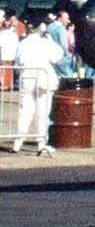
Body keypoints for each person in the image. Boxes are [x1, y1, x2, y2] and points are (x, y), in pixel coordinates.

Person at [12, 22, 64, 155]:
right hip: (43, 78)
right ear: (41, 28)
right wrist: (50, 40)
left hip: (26, 78)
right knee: (43, 113)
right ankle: (41, 142)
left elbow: (17, 63)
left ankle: (18, 141)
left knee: (25, 112)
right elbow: (58, 56)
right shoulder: (44, 43)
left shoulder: (23, 43)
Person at [0, 9, 18, 91]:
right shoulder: (13, 34)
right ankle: (7, 85)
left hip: (6, 54)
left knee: (6, 71)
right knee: (8, 71)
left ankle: (6, 85)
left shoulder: (3, 34)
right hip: (9, 54)